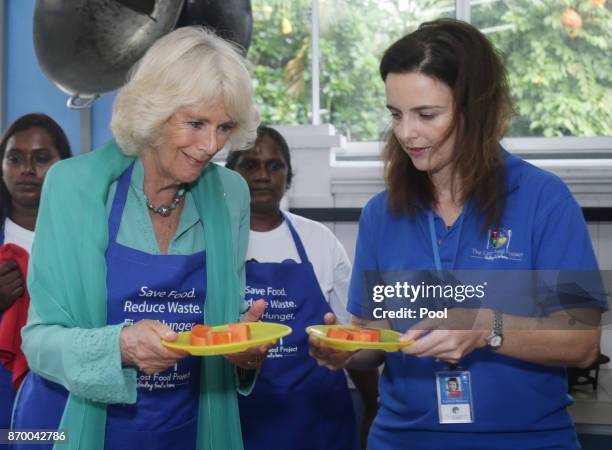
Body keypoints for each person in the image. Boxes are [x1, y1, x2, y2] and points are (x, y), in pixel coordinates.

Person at [310, 19, 606, 450]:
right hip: (403, 439)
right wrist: (345, 350)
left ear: (474, 110)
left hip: (525, 440)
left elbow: (581, 340)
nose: (406, 132)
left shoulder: (544, 201)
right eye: (396, 114)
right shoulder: (381, 214)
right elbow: (375, 336)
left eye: (426, 114)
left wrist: (486, 327)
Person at [14, 27, 266, 450]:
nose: (211, 146)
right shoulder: (73, 187)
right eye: (196, 123)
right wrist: (119, 347)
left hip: (186, 429)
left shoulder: (230, 195)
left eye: (224, 127)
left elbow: (227, 316)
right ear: (153, 111)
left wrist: (244, 349)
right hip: (73, 425)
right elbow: (39, 342)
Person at [226, 126, 378, 450]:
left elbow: (352, 335)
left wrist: (373, 406)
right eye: (250, 166)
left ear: (288, 175)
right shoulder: (214, 243)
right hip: (239, 422)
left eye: (274, 165)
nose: (263, 175)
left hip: (318, 421)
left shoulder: (319, 240)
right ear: (231, 177)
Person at [0, 113, 72, 435]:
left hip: (64, 395)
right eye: (15, 158)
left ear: (64, 165)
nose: (27, 169)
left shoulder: (86, 240)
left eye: (41, 158)